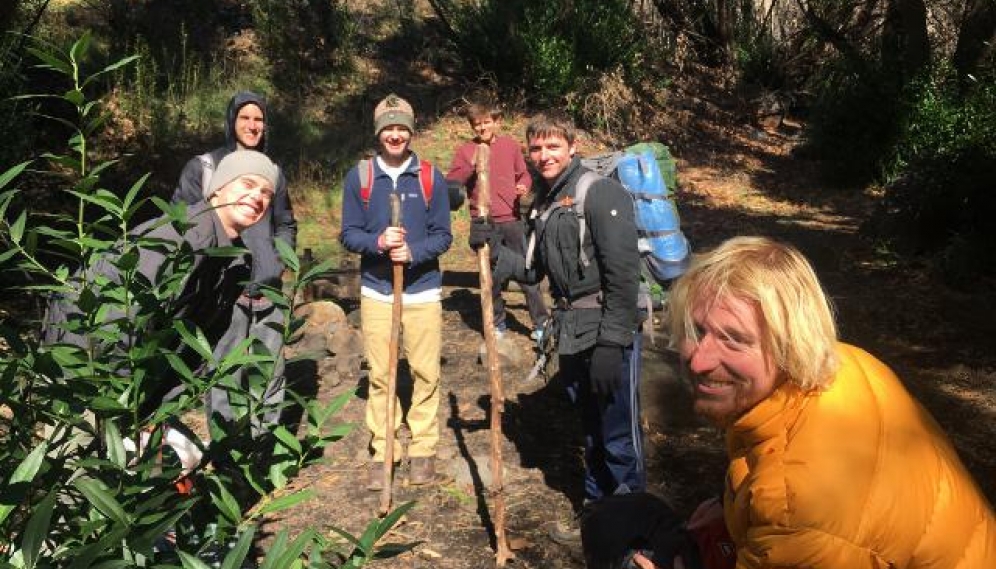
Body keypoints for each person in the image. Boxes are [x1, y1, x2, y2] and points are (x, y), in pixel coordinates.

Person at [664, 235, 996, 568]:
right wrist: (731, 509)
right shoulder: (846, 362)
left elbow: (799, 518)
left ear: (789, 345)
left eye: (734, 339)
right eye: (696, 330)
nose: (698, 361)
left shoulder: (797, 511)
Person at [471, 112, 646, 532]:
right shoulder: (545, 203)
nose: (544, 155)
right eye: (536, 148)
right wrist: (492, 246)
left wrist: (612, 344)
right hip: (570, 333)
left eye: (553, 146)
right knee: (589, 431)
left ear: (572, 147)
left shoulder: (601, 194)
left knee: (619, 436)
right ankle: (598, 514)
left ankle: (635, 529)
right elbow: (532, 271)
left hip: (606, 331)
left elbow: (624, 274)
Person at [44, 150, 279, 419]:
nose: (257, 197)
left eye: (266, 193)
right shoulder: (183, 237)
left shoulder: (232, 258)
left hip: (129, 388)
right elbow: (121, 318)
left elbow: (195, 341)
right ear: (219, 188)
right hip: (85, 373)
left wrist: (157, 408)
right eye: (247, 184)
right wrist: (123, 405)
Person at [339, 93, 452, 489]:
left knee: (425, 371)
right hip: (376, 290)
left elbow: (443, 236)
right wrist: (379, 243)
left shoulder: (429, 177)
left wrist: (414, 251)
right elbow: (349, 233)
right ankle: (383, 447)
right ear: (378, 132)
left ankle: (422, 447)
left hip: (421, 290)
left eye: (401, 126)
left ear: (411, 130)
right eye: (388, 127)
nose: (395, 134)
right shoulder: (361, 177)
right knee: (383, 374)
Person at [172, 91, 297, 433]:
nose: (252, 126)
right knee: (224, 379)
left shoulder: (272, 172)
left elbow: (285, 222)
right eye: (244, 118)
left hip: (268, 293)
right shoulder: (204, 168)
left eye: (258, 119)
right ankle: (228, 462)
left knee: (270, 377)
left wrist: (278, 261)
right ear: (231, 121)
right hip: (224, 296)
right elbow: (182, 226)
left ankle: (263, 455)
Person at [445, 102, 547, 340]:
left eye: (486, 122)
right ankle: (497, 323)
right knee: (491, 278)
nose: (482, 128)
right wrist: (469, 169)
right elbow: (454, 178)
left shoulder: (509, 146)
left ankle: (541, 323)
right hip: (484, 224)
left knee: (527, 272)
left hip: (511, 219)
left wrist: (524, 186)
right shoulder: (466, 150)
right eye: (477, 124)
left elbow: (523, 174)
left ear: (496, 122)